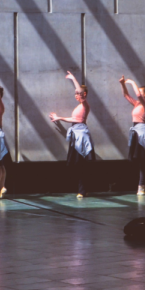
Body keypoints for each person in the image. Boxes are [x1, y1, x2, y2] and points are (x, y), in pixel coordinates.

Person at [50, 71, 94, 199]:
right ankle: (83, 189)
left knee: (81, 164)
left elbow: (80, 91)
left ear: (84, 94)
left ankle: (83, 190)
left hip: (81, 135)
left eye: (77, 94)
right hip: (77, 135)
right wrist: (59, 118)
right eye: (75, 94)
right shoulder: (79, 106)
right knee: (79, 164)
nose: (76, 95)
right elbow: (73, 119)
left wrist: (73, 79)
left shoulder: (85, 105)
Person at [120, 77, 145, 195]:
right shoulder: (136, 104)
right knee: (140, 161)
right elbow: (126, 95)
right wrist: (123, 84)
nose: (138, 94)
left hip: (142, 132)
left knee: (142, 160)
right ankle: (144, 184)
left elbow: (138, 95)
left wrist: (132, 82)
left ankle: (141, 185)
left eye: (140, 92)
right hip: (136, 131)